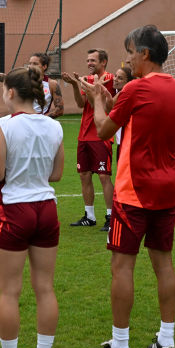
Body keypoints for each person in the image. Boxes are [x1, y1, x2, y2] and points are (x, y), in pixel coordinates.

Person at [80, 25, 175, 348]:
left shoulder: (137, 88)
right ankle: (167, 341)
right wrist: (114, 102)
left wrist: (99, 100)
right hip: (167, 189)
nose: (128, 58)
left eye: (130, 51)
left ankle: (119, 345)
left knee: (122, 266)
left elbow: (103, 129)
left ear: (144, 53)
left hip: (133, 192)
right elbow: (140, 119)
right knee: (164, 264)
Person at [0, 68, 64, 348]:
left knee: (9, 291)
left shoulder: (4, 124)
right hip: (46, 207)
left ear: (11, 93)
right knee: (45, 286)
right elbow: (55, 174)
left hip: (16, 208)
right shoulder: (53, 127)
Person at [61, 49, 114, 230]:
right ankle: (89, 216)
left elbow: (96, 103)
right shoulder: (87, 79)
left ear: (103, 62)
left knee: (103, 176)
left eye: (93, 60)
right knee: (84, 175)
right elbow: (81, 104)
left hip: (101, 133)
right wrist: (77, 85)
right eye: (87, 60)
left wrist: (86, 84)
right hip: (84, 135)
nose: (89, 63)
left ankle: (110, 216)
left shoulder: (109, 78)